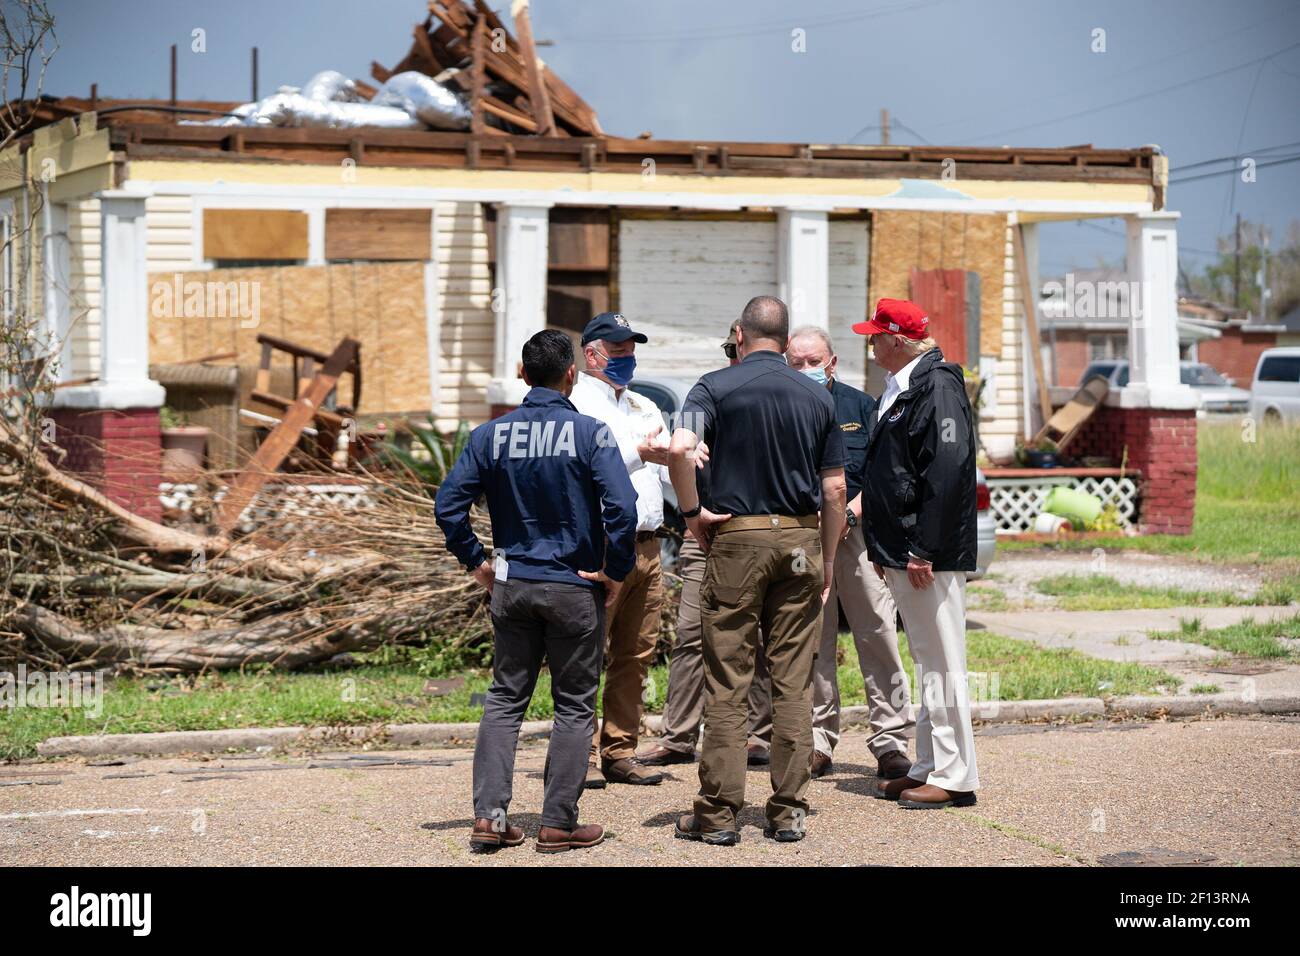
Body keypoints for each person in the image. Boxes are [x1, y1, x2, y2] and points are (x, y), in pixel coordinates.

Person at [434, 329, 638, 853]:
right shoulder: (591, 434)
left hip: (514, 586)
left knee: (504, 700)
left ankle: (490, 819)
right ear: (571, 374)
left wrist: (478, 562)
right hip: (573, 587)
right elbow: (622, 508)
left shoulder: (489, 436)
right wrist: (615, 570)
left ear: (523, 375)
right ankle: (558, 823)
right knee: (573, 706)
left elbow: (448, 508)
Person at [667, 295, 847, 845]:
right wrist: (828, 559)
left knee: (728, 679)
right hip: (798, 538)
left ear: (740, 336)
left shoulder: (711, 388)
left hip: (737, 538)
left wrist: (692, 512)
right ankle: (788, 809)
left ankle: (718, 815)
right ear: (785, 340)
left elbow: (679, 448)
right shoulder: (817, 397)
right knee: (793, 680)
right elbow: (836, 488)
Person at [854, 298, 980, 809]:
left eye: (876, 336)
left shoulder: (938, 386)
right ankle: (930, 764)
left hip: (926, 554)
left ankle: (956, 775)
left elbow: (947, 470)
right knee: (929, 661)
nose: (870, 345)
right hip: (904, 550)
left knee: (944, 664)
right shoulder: (906, 386)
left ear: (899, 340)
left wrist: (923, 547)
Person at [638, 323, 773, 769]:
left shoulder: (776, 395)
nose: (739, 359)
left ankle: (759, 735)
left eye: (742, 350)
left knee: (756, 635)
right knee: (692, 634)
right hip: (706, 533)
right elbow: (678, 446)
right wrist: (680, 456)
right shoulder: (708, 393)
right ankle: (678, 736)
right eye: (732, 352)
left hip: (758, 533)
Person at [784, 325, 913, 781]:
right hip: (803, 536)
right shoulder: (781, 405)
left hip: (856, 534)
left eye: (813, 361)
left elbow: (881, 473)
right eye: (796, 362)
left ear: (832, 363)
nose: (805, 369)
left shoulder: (862, 406)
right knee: (811, 639)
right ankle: (818, 740)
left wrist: (848, 517)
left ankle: (891, 739)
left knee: (877, 633)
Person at [569, 312, 669, 788]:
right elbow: (582, 472)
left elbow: (670, 469)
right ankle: (580, 754)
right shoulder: (575, 408)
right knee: (586, 651)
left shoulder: (645, 406)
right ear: (592, 354)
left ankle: (619, 749)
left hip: (648, 547)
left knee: (636, 653)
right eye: (618, 349)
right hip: (599, 548)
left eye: (631, 348)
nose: (627, 357)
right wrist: (640, 453)